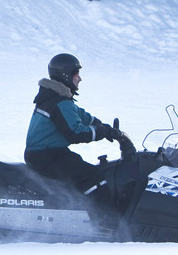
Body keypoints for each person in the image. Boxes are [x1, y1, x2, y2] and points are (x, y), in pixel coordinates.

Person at [23, 52, 120, 194]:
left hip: (43, 154)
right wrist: (102, 131)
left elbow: (81, 116)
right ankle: (101, 209)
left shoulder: (54, 96)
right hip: (47, 157)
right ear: (66, 74)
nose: (80, 79)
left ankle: (76, 201)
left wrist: (104, 126)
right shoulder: (59, 102)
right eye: (76, 74)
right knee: (94, 177)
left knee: (79, 167)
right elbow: (76, 133)